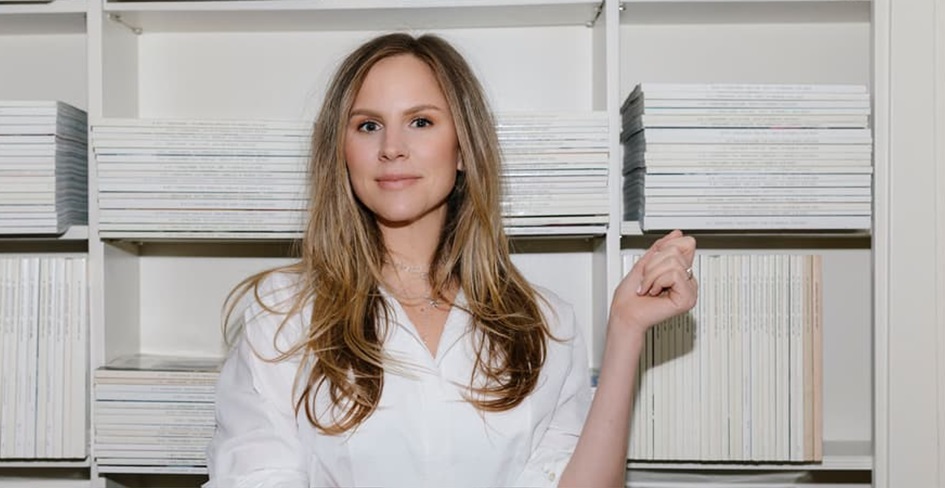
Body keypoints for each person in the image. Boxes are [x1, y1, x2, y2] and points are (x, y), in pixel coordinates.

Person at [205, 32, 697, 487]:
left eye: (421, 122)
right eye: (368, 125)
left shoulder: (546, 325)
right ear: (342, 151)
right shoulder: (281, 315)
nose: (392, 148)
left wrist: (626, 330)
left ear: (462, 148)